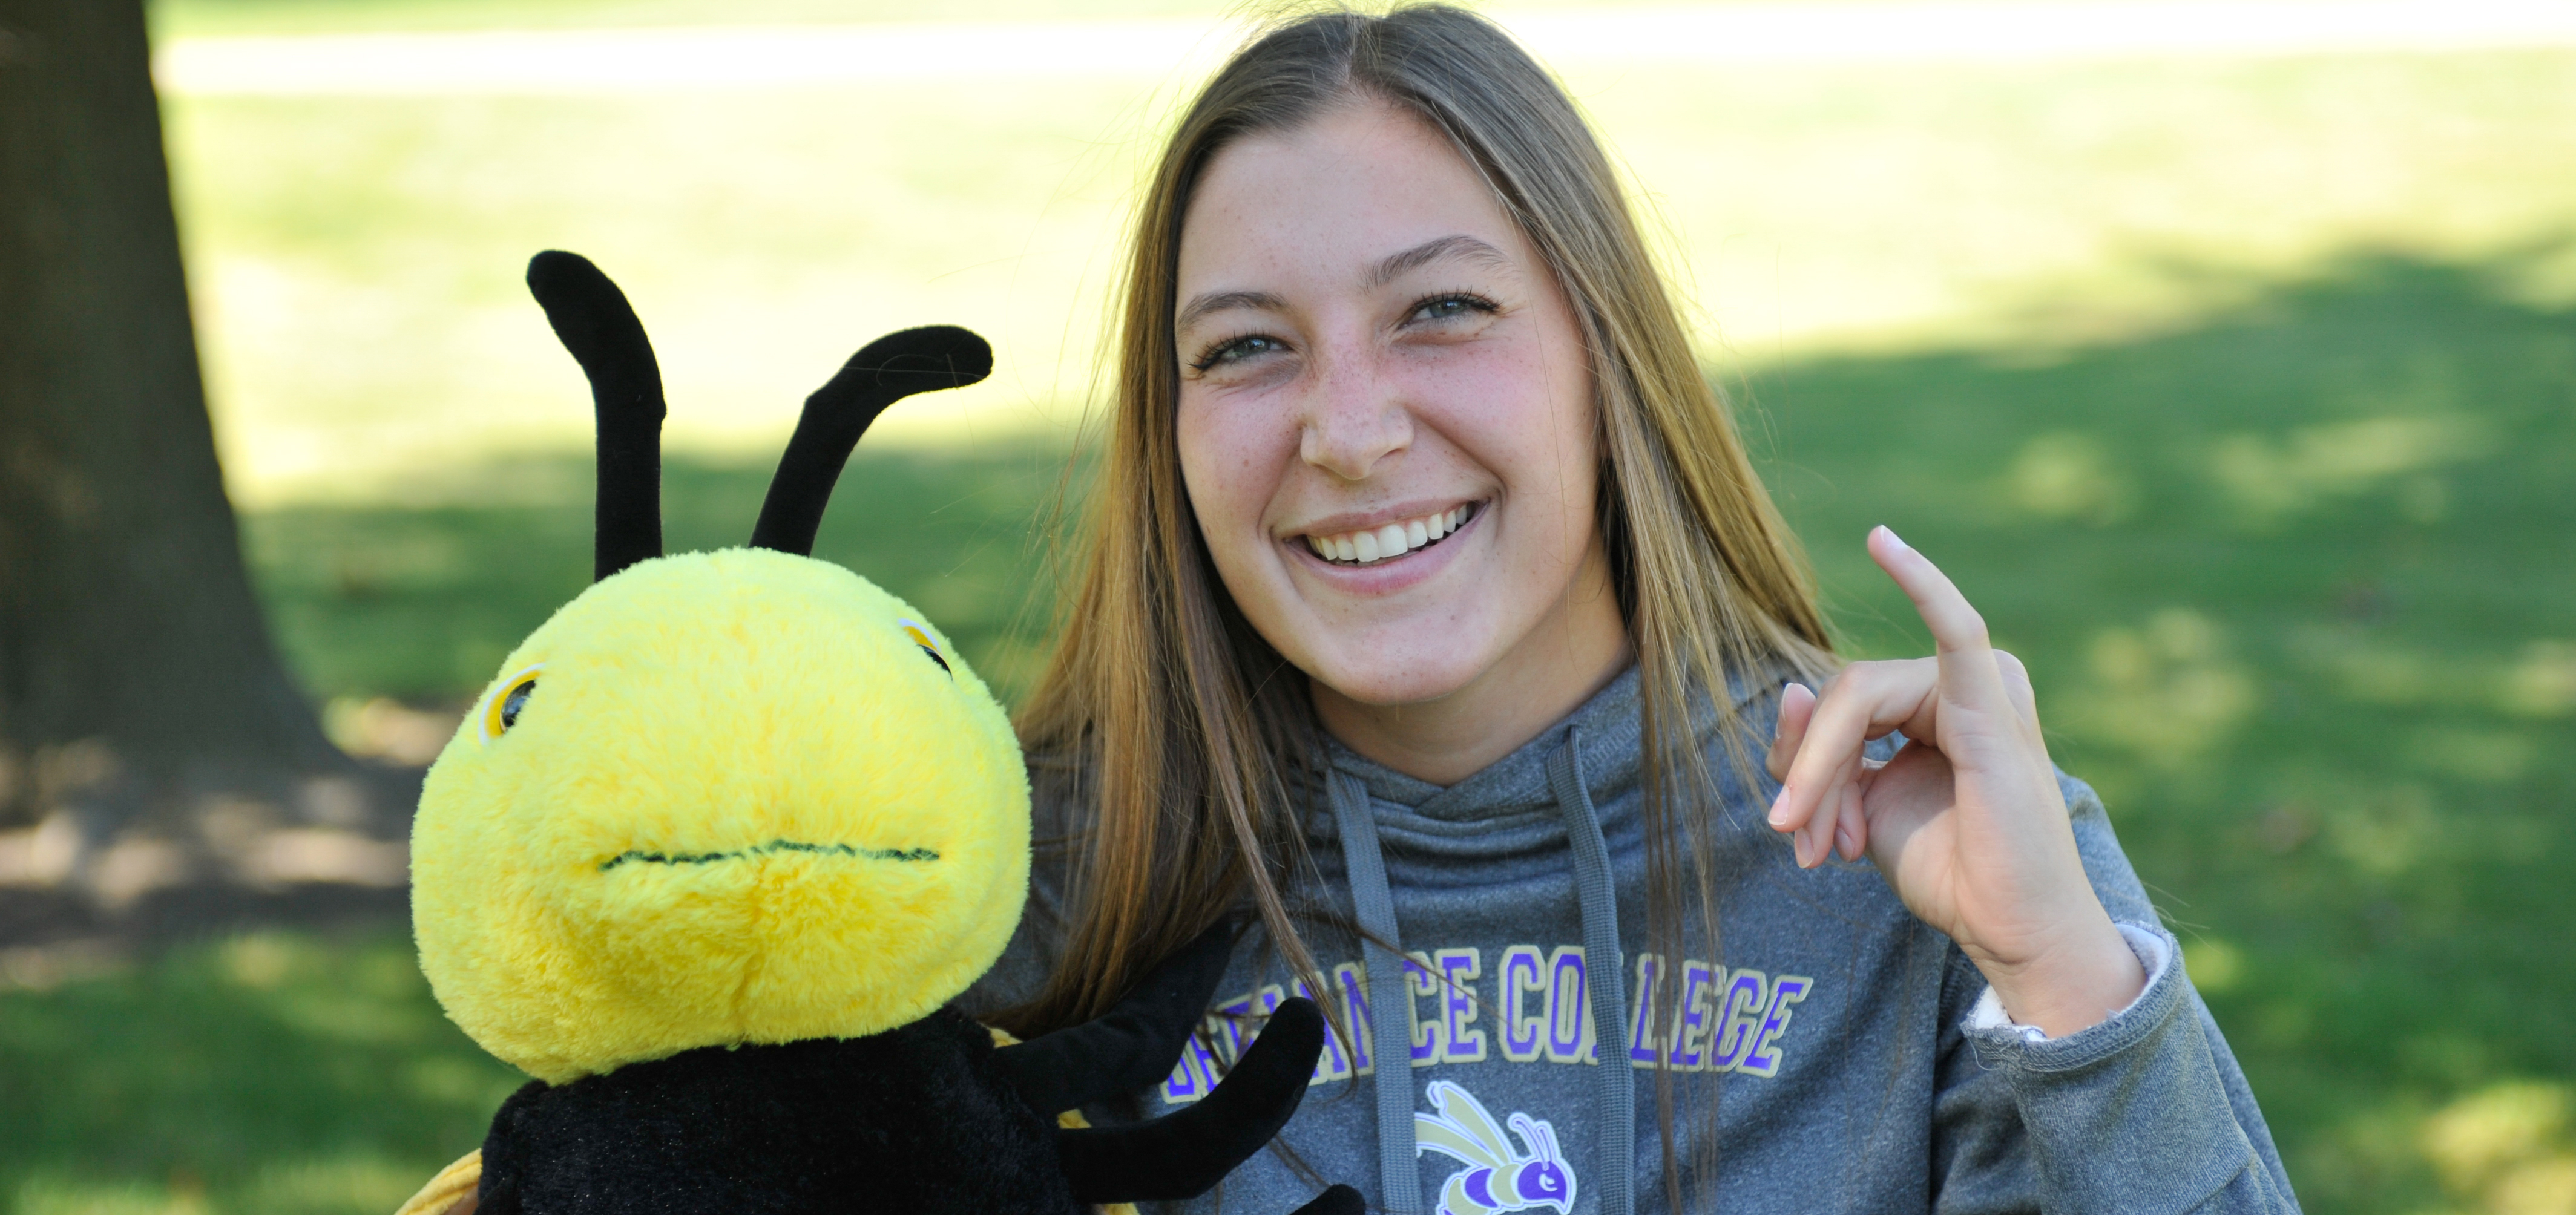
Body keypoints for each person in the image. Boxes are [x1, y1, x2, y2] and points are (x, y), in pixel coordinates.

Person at [966, 7, 2301, 1213]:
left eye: (1440, 309)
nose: (1350, 433)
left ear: (1608, 358)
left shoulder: (1934, 839)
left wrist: (2057, 973)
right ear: (1173, 428)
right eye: (1246, 345)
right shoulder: (1036, 873)